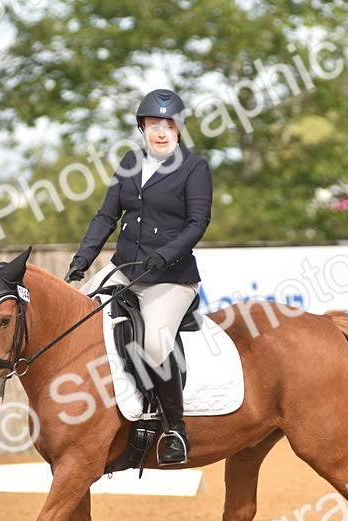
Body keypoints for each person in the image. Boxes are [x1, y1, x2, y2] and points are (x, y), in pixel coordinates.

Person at [66, 88, 213, 466]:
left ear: (179, 129)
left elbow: (198, 223)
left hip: (171, 278)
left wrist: (163, 256)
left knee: (153, 344)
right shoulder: (130, 162)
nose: (160, 132)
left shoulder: (194, 168)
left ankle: (174, 428)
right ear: (142, 128)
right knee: (75, 321)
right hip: (124, 270)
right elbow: (105, 217)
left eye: (168, 125)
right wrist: (83, 259)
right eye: (153, 125)